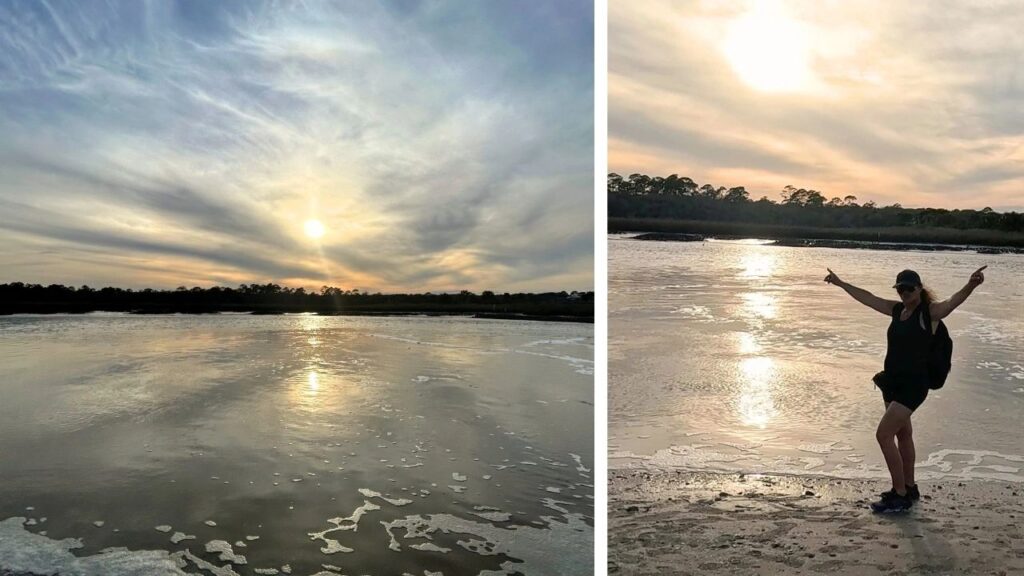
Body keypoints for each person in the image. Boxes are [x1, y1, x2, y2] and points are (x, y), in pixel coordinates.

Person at [824, 265, 987, 513]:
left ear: (920, 289)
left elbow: (952, 303)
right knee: (903, 435)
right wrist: (841, 283)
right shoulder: (896, 310)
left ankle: (899, 495)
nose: (904, 293)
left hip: (913, 386)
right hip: (892, 382)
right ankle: (909, 487)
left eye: (909, 288)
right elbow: (869, 298)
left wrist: (971, 284)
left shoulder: (929, 314)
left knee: (883, 435)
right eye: (900, 288)